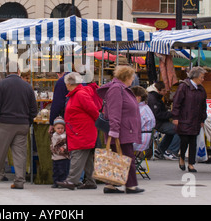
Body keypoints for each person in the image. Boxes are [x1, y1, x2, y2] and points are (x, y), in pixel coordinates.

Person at [0, 62, 37, 189]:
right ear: (18, 71)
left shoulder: (1, 85)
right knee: (20, 153)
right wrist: (28, 121)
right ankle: (19, 181)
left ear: (6, 72)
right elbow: (33, 109)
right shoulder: (27, 86)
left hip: (4, 123)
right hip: (22, 124)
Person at [97, 66, 143, 194]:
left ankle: (110, 184)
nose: (133, 79)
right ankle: (131, 185)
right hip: (121, 130)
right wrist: (115, 130)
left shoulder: (121, 88)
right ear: (126, 77)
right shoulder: (117, 89)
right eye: (132, 76)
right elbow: (114, 111)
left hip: (123, 129)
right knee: (127, 157)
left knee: (116, 157)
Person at [56, 72, 99, 191]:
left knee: (78, 154)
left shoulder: (80, 94)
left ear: (70, 83)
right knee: (86, 156)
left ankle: (72, 180)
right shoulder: (77, 94)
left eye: (66, 84)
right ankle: (90, 181)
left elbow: (93, 111)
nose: (66, 87)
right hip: (80, 129)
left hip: (81, 130)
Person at [172, 66, 207, 173]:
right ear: (195, 77)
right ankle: (182, 157)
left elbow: (203, 106)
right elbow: (176, 103)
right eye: (202, 77)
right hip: (184, 118)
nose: (203, 79)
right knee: (184, 140)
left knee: (193, 142)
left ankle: (191, 164)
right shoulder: (184, 87)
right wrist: (175, 117)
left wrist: (202, 119)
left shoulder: (201, 89)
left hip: (196, 119)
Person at [146, 81, 180, 160]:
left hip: (158, 122)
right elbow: (158, 114)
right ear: (158, 90)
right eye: (164, 91)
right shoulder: (153, 99)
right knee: (179, 129)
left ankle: (160, 150)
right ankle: (171, 151)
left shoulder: (154, 96)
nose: (165, 93)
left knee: (172, 131)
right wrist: (171, 114)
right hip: (157, 123)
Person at [131, 86, 156, 152]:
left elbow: (134, 127)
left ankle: (126, 161)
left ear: (138, 98)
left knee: (117, 144)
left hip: (140, 141)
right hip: (144, 138)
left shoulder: (140, 111)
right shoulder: (144, 107)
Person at [50, 117, 70, 188]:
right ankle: (55, 182)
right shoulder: (53, 136)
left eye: (62, 128)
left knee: (63, 170)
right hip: (55, 157)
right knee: (56, 171)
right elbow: (53, 145)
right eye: (58, 128)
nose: (60, 130)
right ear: (54, 128)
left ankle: (62, 181)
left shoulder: (65, 136)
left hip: (63, 157)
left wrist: (64, 148)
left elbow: (68, 144)